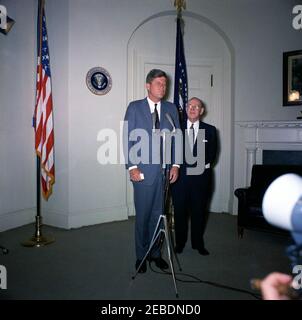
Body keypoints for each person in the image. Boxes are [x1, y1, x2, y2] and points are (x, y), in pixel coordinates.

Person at [124, 69, 180, 273]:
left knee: (159, 215)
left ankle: (155, 254)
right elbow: (127, 138)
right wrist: (131, 166)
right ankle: (141, 256)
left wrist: (176, 164)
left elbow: (177, 138)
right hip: (142, 172)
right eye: (158, 84)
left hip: (164, 173)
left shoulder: (171, 108)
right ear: (148, 85)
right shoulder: (135, 108)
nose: (163, 87)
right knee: (144, 216)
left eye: (165, 84)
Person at [171, 97, 217, 255]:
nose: (192, 108)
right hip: (180, 179)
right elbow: (172, 152)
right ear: (185, 108)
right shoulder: (176, 128)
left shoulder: (211, 130)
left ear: (201, 111)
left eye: (196, 106)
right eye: (190, 106)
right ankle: (180, 242)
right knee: (179, 212)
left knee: (199, 212)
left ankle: (198, 243)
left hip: (201, 180)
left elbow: (212, 156)